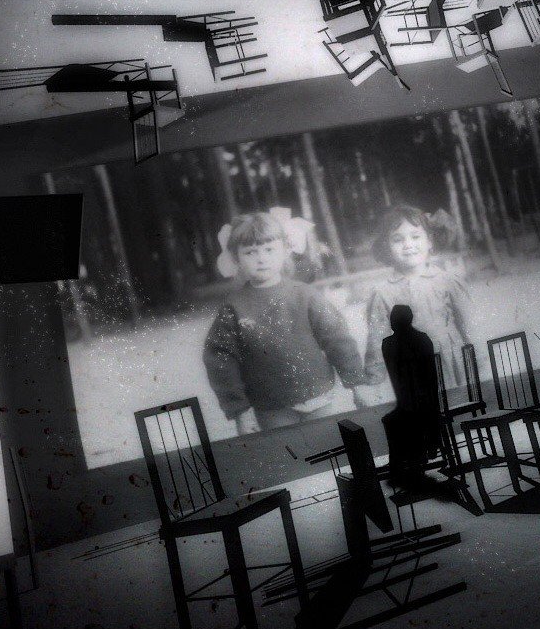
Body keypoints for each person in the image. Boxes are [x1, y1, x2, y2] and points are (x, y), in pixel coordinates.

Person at [203, 211, 384, 434]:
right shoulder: (234, 307)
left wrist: (357, 383)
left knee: (331, 445)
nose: (261, 258)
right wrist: (240, 410)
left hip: (320, 397)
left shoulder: (305, 295)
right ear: (236, 258)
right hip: (271, 407)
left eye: (269, 249)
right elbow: (220, 360)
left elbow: (337, 339)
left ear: (285, 250)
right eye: (250, 252)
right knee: (289, 451)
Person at [358, 206, 478, 405]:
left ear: (429, 241)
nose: (408, 245)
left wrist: (481, 364)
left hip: (453, 362)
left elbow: (470, 327)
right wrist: (373, 382)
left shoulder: (447, 281)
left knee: (462, 410)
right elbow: (377, 342)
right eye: (398, 239)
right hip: (413, 369)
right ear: (387, 247)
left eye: (415, 237)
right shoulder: (382, 293)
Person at [380, 304, 442, 489]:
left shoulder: (389, 344)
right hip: (424, 402)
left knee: (400, 421)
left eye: (393, 319)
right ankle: (411, 464)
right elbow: (429, 378)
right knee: (401, 419)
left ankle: (406, 466)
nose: (391, 322)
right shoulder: (422, 340)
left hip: (417, 404)